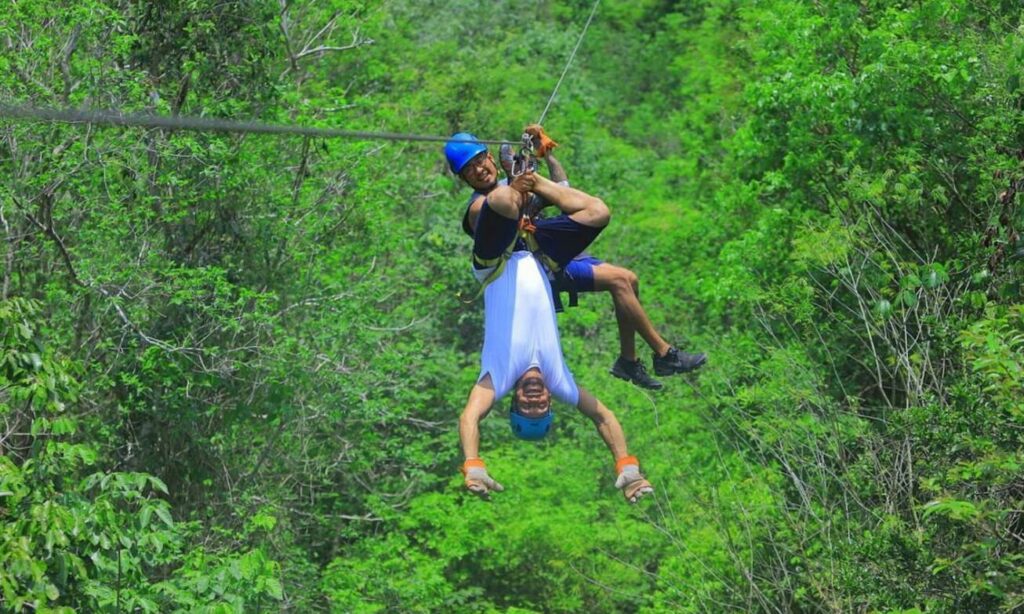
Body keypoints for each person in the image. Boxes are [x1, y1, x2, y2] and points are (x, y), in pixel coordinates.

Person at [456, 159, 653, 504]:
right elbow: (602, 415)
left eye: (526, 406)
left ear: (514, 402)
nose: (534, 399)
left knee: (502, 200)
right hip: (539, 254)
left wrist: (473, 463)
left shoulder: (499, 376)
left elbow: (471, 415)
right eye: (540, 407)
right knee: (597, 212)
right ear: (550, 402)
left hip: (493, 264)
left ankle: (507, 177)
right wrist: (627, 466)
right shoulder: (558, 378)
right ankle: (524, 173)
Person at [446, 131, 707, 391]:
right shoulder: (478, 207)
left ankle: (628, 360)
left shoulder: (513, 182)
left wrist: (547, 157)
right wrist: (517, 181)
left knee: (627, 279)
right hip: (530, 268)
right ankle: (664, 354)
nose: (478, 170)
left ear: (489, 157)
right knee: (618, 280)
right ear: (463, 179)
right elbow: (504, 208)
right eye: (469, 170)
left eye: (479, 161)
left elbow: (563, 193)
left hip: (546, 251)